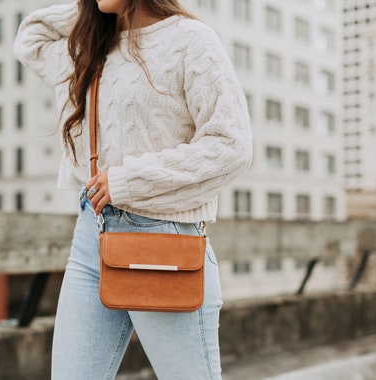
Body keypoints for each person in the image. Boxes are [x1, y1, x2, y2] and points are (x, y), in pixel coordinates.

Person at [14, 0, 252, 378]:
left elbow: (231, 145)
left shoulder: (191, 41)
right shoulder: (93, 47)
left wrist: (127, 180)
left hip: (163, 244)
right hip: (91, 238)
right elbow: (32, 38)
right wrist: (87, 10)